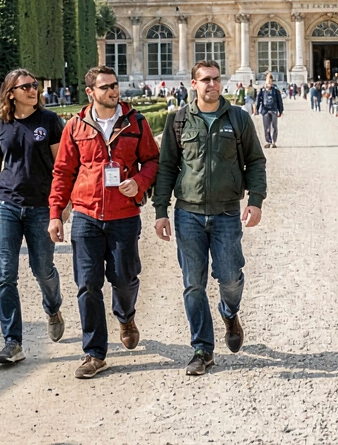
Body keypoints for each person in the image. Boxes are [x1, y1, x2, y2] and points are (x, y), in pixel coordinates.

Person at [154, 60, 267, 376]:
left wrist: (255, 201)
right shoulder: (178, 120)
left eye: (216, 79)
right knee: (193, 284)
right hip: (187, 212)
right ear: (193, 84)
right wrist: (160, 210)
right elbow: (166, 168)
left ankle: (230, 312)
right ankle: (202, 349)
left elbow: (256, 162)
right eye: (205, 80)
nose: (212, 85)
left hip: (227, 211)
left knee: (230, 277)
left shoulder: (238, 118)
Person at [48, 66, 159, 379]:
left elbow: (153, 160)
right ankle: (94, 352)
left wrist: (139, 181)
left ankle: (125, 316)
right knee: (87, 284)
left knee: (125, 277)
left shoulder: (136, 122)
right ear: (90, 93)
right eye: (106, 87)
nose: (114, 91)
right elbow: (63, 172)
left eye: (115, 85)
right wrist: (56, 213)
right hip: (86, 214)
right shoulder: (75, 126)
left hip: (124, 214)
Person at [0, 68, 67, 365]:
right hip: (7, 206)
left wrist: (62, 206)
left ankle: (52, 307)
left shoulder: (49, 121)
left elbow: (61, 166)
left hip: (41, 206)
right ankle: (12, 342)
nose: (33, 90)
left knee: (42, 269)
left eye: (35, 85)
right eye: (25, 86)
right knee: (5, 274)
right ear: (10, 93)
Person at [255, 73, 284, 148]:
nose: (269, 84)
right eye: (268, 82)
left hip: (274, 109)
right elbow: (258, 100)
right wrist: (256, 109)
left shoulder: (276, 90)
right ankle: (268, 141)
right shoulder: (262, 90)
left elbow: (279, 101)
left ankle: (274, 141)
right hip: (265, 110)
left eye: (270, 82)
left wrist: (281, 110)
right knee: (266, 127)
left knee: (274, 126)